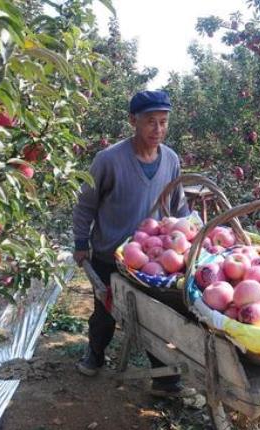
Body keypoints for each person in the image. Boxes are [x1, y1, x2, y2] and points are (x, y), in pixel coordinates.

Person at [72, 90, 195, 398]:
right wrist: (81, 241)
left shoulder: (171, 160)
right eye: (151, 122)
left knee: (155, 315)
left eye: (164, 122)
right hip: (108, 252)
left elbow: (179, 206)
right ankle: (95, 354)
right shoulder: (108, 160)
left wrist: (188, 237)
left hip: (151, 258)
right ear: (133, 121)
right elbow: (86, 204)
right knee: (105, 310)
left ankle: (164, 380)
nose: (158, 130)